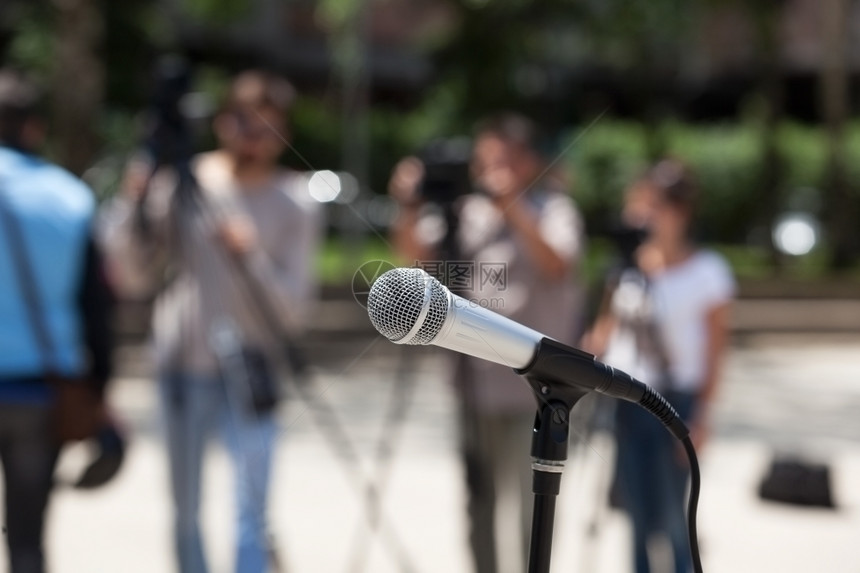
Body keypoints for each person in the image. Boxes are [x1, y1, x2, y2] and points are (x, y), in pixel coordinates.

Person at [99, 70, 321, 573]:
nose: (255, 135)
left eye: (269, 125)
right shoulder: (184, 180)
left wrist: (252, 257)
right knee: (184, 511)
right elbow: (132, 274)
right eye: (245, 121)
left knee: (252, 513)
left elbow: (294, 308)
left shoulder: (296, 200)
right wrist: (134, 195)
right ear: (223, 122)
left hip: (254, 367)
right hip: (182, 362)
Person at [388, 114, 585, 573]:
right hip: (472, 385)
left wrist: (514, 206)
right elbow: (413, 262)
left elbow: (558, 265)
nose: (492, 169)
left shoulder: (554, 209)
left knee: (533, 505)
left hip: (534, 392)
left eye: (504, 159)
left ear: (529, 161)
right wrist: (409, 205)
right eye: (485, 160)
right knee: (479, 503)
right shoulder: (466, 215)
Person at [585, 159, 735, 573]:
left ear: (681, 212)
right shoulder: (626, 269)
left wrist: (704, 415)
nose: (645, 217)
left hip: (675, 401)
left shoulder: (708, 272)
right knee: (635, 517)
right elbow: (603, 333)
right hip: (626, 402)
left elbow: (716, 353)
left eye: (656, 207)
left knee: (674, 519)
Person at [0, 69, 113, 573]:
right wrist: (99, 388)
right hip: (41, 390)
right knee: (27, 542)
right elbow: (97, 307)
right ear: (33, 128)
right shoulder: (70, 196)